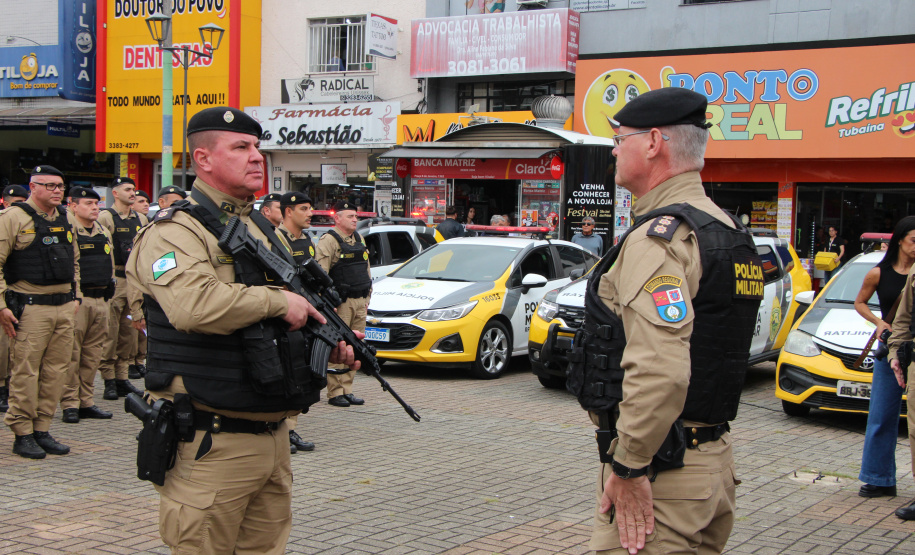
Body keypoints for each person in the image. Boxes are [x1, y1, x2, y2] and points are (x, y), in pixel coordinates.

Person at [125, 106, 360, 553]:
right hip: (212, 442)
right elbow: (192, 306)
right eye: (240, 147)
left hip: (271, 434)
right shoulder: (175, 232)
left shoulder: (256, 227)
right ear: (203, 159)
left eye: (256, 147)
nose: (257, 157)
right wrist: (279, 301)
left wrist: (321, 343)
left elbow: (277, 318)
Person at [566, 88, 764, 554]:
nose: (613, 149)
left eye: (619, 138)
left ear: (654, 142)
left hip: (663, 473)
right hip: (711, 466)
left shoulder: (659, 240)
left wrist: (629, 466)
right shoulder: (728, 230)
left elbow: (661, 369)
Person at [0, 165, 81, 459]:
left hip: (63, 305)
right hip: (30, 307)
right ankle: (22, 432)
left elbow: (74, 262)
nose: (57, 190)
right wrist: (1, 306)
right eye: (49, 186)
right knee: (25, 371)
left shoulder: (66, 217)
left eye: (60, 186)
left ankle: (42, 428)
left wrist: (77, 297)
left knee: (57, 370)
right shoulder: (14, 217)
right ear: (32, 187)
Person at [855, 216, 915, 498]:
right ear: (900, 240)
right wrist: (879, 323)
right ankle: (879, 478)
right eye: (913, 240)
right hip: (889, 350)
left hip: (913, 352)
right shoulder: (878, 272)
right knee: (881, 416)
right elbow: (860, 302)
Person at [59, 187, 115, 423]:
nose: (95, 207)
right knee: (73, 354)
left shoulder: (103, 230)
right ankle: (70, 403)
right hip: (79, 301)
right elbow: (72, 268)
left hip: (101, 299)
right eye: (88, 203)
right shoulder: (68, 230)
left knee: (92, 354)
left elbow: (109, 263)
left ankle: (87, 401)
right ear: (72, 206)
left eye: (96, 203)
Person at [316, 201, 370, 407]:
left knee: (355, 347)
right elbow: (322, 275)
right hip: (341, 303)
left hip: (359, 300)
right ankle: (335, 391)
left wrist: (367, 298)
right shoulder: (329, 241)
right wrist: (328, 304)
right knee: (339, 347)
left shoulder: (359, 238)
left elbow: (366, 270)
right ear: (337, 218)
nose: (355, 219)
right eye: (350, 216)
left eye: (356, 216)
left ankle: (347, 389)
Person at [97, 177, 146, 401]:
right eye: (127, 189)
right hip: (116, 278)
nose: (132, 193)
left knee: (129, 333)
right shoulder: (106, 217)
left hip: (133, 280)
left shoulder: (141, 218)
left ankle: (122, 378)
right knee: (111, 331)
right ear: (115, 193)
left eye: (133, 189)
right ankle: (108, 379)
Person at [277, 191, 317, 454]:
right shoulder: (275, 239)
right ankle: (282, 430)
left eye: (310, 208)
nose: (310, 213)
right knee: (284, 371)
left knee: (299, 369)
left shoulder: (308, 239)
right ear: (288, 211)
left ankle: (289, 428)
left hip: (305, 309)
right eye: (304, 208)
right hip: (284, 312)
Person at [0, 184, 27, 413]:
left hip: (12, 290)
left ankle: (7, 388)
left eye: (20, 201)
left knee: (10, 346)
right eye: (12, 201)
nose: (15, 205)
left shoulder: (20, 223)